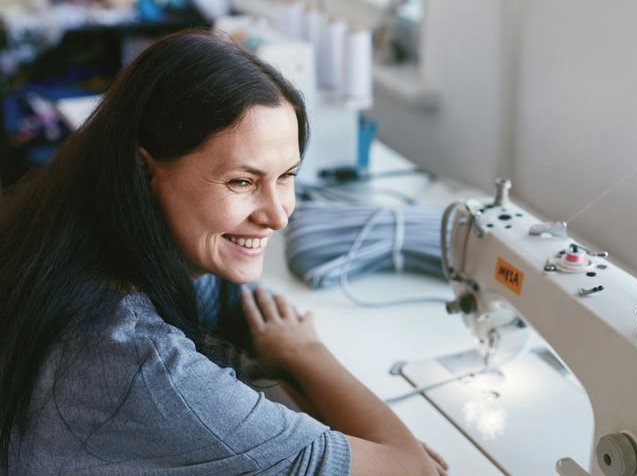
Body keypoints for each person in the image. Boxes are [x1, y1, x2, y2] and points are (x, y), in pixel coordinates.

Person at [0, 29, 447, 475]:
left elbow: (240, 313)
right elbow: (415, 469)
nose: (278, 217)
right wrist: (307, 354)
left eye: (287, 176)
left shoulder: (75, 230)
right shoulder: (145, 365)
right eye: (242, 181)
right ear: (145, 170)